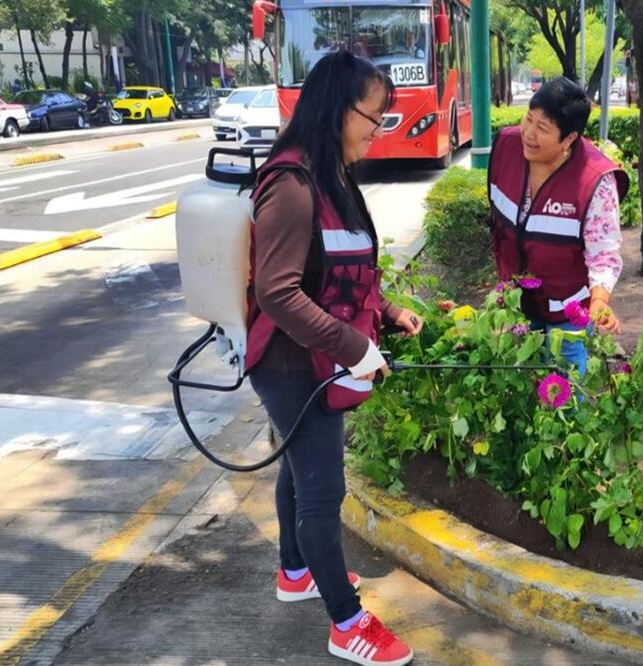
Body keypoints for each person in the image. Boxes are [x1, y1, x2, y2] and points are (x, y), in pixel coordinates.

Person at [245, 50, 420, 666]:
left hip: (315, 357)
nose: (377, 130)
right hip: (295, 365)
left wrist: (390, 312)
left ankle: (296, 571)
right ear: (335, 109)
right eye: (373, 117)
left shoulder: (329, 176)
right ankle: (346, 625)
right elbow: (279, 292)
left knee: (297, 470)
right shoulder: (292, 186)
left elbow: (342, 271)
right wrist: (357, 349)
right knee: (323, 491)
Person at [486, 76, 629, 378]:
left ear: (569, 139)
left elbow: (603, 253)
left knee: (562, 394)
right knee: (520, 386)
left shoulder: (595, 180)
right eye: (529, 119)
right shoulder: (506, 147)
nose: (529, 133)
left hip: (567, 309)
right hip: (516, 304)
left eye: (543, 129)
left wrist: (600, 301)